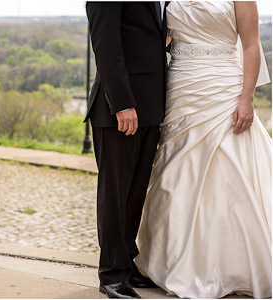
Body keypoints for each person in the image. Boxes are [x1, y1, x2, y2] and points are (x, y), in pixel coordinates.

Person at [134, 2, 272, 298]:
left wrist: (246, 98)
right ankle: (175, 261)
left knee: (230, 172)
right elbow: (160, 37)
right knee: (177, 174)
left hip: (223, 88)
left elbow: (250, 46)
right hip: (181, 87)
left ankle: (231, 264)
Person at [86, 2, 167, 298]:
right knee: (115, 194)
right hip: (118, 109)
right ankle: (111, 275)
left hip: (150, 107)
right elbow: (106, 46)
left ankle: (126, 264)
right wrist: (121, 104)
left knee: (134, 194)